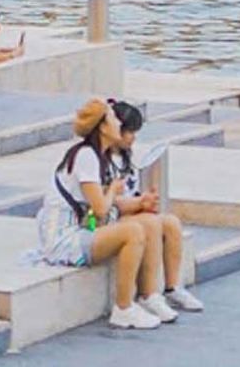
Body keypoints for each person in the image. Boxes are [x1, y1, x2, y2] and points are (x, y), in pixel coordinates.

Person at [31, 99, 168, 330]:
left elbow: (104, 208)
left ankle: (149, 295)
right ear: (103, 127)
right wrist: (113, 190)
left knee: (148, 223)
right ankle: (123, 308)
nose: (118, 123)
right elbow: (102, 208)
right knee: (132, 231)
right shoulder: (86, 156)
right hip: (65, 238)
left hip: (84, 227)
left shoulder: (99, 156)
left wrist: (140, 203)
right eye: (114, 119)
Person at [108, 100, 204, 316]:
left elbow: (131, 192)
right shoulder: (102, 161)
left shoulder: (125, 158)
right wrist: (140, 204)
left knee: (170, 223)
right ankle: (148, 294)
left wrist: (145, 199)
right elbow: (109, 202)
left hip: (131, 209)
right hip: (113, 217)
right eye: (129, 131)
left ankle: (172, 287)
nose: (133, 137)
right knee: (150, 223)